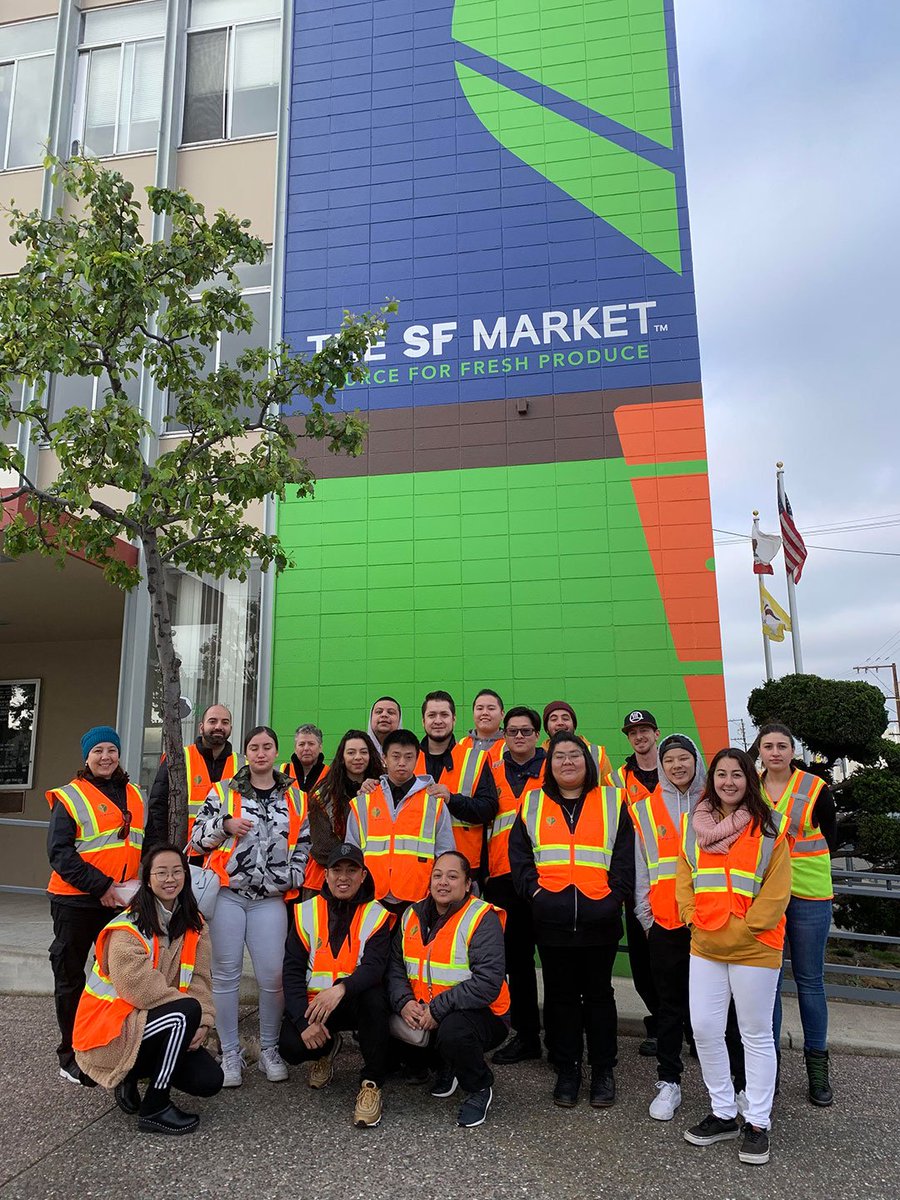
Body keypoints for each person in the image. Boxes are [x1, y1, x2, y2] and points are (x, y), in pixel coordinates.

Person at [678, 748, 791, 1167]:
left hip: (755, 945)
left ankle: (757, 1122)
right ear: (712, 780)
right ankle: (724, 1112)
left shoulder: (770, 827)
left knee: (755, 1034)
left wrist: (747, 928)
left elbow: (778, 890)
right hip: (705, 943)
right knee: (705, 1029)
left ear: (750, 780)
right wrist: (690, 915)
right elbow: (684, 876)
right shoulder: (697, 827)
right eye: (721, 774)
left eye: (737, 775)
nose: (729, 782)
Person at [509, 731, 634, 1109]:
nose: (567, 762)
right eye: (560, 756)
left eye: (575, 755)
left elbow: (626, 857)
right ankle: (567, 1068)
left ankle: (602, 1070)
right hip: (552, 919)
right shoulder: (532, 802)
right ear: (550, 764)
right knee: (561, 998)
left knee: (599, 996)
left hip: (601, 918)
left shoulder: (613, 800)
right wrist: (536, 896)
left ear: (588, 761)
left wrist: (615, 899)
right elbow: (520, 859)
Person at [72, 844, 222, 1134]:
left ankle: (131, 1074)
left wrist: (202, 1022)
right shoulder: (128, 927)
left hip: (155, 1024)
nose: (170, 879)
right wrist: (190, 1014)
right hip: (109, 1032)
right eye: (161, 872)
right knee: (183, 1011)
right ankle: (156, 1107)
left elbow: (201, 979)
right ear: (148, 879)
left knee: (209, 1080)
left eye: (177, 871)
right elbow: (137, 988)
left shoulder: (194, 924)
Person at [190, 725, 310, 1088]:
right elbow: (196, 838)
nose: (260, 753)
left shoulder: (296, 796)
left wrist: (292, 876)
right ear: (245, 753)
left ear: (277, 753)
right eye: (254, 747)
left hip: (270, 899)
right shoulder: (222, 791)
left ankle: (269, 1050)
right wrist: (224, 825)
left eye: (267, 746)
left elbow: (303, 843)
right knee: (225, 977)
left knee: (273, 977)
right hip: (228, 894)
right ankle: (230, 1053)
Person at [46, 725, 150, 1085]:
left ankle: (109, 1046)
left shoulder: (135, 794)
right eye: (97, 751)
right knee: (71, 977)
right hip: (75, 902)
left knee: (116, 978)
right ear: (86, 757)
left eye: (111, 750)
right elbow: (59, 854)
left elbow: (143, 845)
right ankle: (70, 1055)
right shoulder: (70, 796)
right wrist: (101, 886)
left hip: (121, 902)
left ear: (119, 754)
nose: (105, 757)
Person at [387, 851, 510, 1128]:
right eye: (437, 875)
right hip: (422, 1011)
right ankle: (445, 1065)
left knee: (453, 1032)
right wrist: (404, 1002)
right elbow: (395, 967)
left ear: (468, 884)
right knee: (377, 1005)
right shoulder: (412, 914)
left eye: (453, 876)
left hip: (483, 1015)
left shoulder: (481, 917)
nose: (443, 882)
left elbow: (488, 982)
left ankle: (479, 1087)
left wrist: (438, 1008)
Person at [279, 842, 392, 1127]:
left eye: (351, 870)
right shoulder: (305, 912)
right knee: (290, 1047)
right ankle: (326, 1049)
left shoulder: (376, 914)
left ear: (363, 875)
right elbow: (291, 973)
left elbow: (375, 967)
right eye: (336, 870)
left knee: (375, 998)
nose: (344, 877)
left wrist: (340, 988)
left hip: (355, 1001)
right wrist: (304, 1024)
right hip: (317, 1008)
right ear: (326, 875)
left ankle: (372, 1082)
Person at [758, 722, 837, 1106]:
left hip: (809, 894)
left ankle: (817, 1070)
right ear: (759, 750)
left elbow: (832, 839)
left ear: (792, 751)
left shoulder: (815, 787)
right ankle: (766, 1073)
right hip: (766, 896)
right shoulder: (748, 785)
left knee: (810, 981)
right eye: (768, 746)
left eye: (782, 746)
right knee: (768, 983)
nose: (775, 752)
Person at [633, 734, 709, 1120]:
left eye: (685, 758)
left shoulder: (716, 803)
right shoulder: (644, 809)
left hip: (711, 921)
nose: (678, 765)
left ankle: (724, 1085)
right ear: (662, 766)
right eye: (671, 760)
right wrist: (646, 917)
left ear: (696, 761)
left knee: (714, 1008)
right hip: (665, 922)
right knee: (668, 1006)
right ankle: (669, 1081)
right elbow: (642, 866)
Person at [483, 705, 545, 1065]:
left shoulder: (554, 766)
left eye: (526, 731)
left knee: (555, 961)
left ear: (537, 735)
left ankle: (561, 1034)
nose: (519, 737)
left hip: (547, 875)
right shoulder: (491, 769)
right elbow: (483, 812)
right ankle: (526, 1036)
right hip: (504, 877)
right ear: (504, 735)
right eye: (512, 731)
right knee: (517, 962)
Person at [346, 728, 455, 916]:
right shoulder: (364, 801)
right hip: (371, 898)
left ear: (417, 759)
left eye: (408, 757)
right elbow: (351, 851)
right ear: (384, 758)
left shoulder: (434, 802)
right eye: (395, 756)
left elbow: (446, 853)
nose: (402, 763)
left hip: (420, 898)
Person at [610, 709, 662, 1057]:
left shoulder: (676, 769)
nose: (639, 737)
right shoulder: (619, 779)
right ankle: (658, 1024)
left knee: (679, 959)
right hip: (637, 881)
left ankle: (688, 1023)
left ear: (656, 733)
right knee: (643, 963)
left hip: (676, 879)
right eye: (633, 732)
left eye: (644, 730)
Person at [416, 690, 499, 878]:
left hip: (464, 865)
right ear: (423, 721)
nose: (438, 720)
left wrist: (452, 800)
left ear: (454, 719)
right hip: (417, 865)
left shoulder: (475, 759)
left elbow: (489, 808)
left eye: (444, 715)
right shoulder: (410, 760)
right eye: (432, 715)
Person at [148, 704, 244, 849]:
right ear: (201, 727)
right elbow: (158, 809)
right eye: (212, 721)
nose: (219, 726)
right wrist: (160, 850)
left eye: (225, 722)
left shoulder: (243, 765)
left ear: (230, 728)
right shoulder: (178, 759)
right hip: (185, 852)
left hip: (227, 856)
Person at [304, 730, 383, 895]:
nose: (358, 757)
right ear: (342, 757)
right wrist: (354, 866)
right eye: (351, 752)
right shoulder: (323, 795)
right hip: (324, 883)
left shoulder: (383, 789)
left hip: (374, 878)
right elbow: (321, 847)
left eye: (363, 752)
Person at [541, 701, 613, 784]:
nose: (560, 723)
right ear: (546, 728)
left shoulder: (597, 754)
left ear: (574, 725)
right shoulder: (539, 756)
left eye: (565, 718)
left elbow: (608, 790)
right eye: (554, 719)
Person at [457, 689, 506, 756]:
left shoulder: (509, 746)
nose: (485, 713)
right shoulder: (461, 745)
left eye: (491, 708)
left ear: (502, 714)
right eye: (480, 708)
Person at [282, 724, 328, 793]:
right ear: (295, 749)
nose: (306, 748)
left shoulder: (330, 775)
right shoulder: (282, 772)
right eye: (301, 744)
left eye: (311, 744)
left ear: (320, 747)